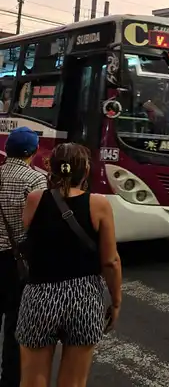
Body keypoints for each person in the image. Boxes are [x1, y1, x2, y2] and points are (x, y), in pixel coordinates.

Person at [17, 143, 122, 387]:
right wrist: (116, 301)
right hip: (84, 297)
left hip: (40, 295)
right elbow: (111, 261)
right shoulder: (99, 204)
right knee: (73, 382)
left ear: (50, 168)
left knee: (32, 381)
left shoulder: (35, 199)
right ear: (86, 170)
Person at [0, 128, 47, 387]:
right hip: (15, 261)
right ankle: (9, 380)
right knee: (14, 324)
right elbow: (40, 226)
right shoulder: (36, 180)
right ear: (33, 152)